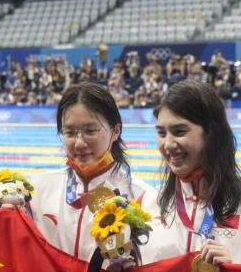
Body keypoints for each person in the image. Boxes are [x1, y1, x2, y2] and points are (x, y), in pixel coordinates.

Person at [144, 79, 241, 265]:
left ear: (211, 133)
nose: (167, 144)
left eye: (179, 132)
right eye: (161, 133)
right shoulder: (146, 203)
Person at [29, 83, 155, 261]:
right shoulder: (37, 190)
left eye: (90, 131)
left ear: (115, 130)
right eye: (70, 133)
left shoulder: (141, 197)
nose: (79, 143)